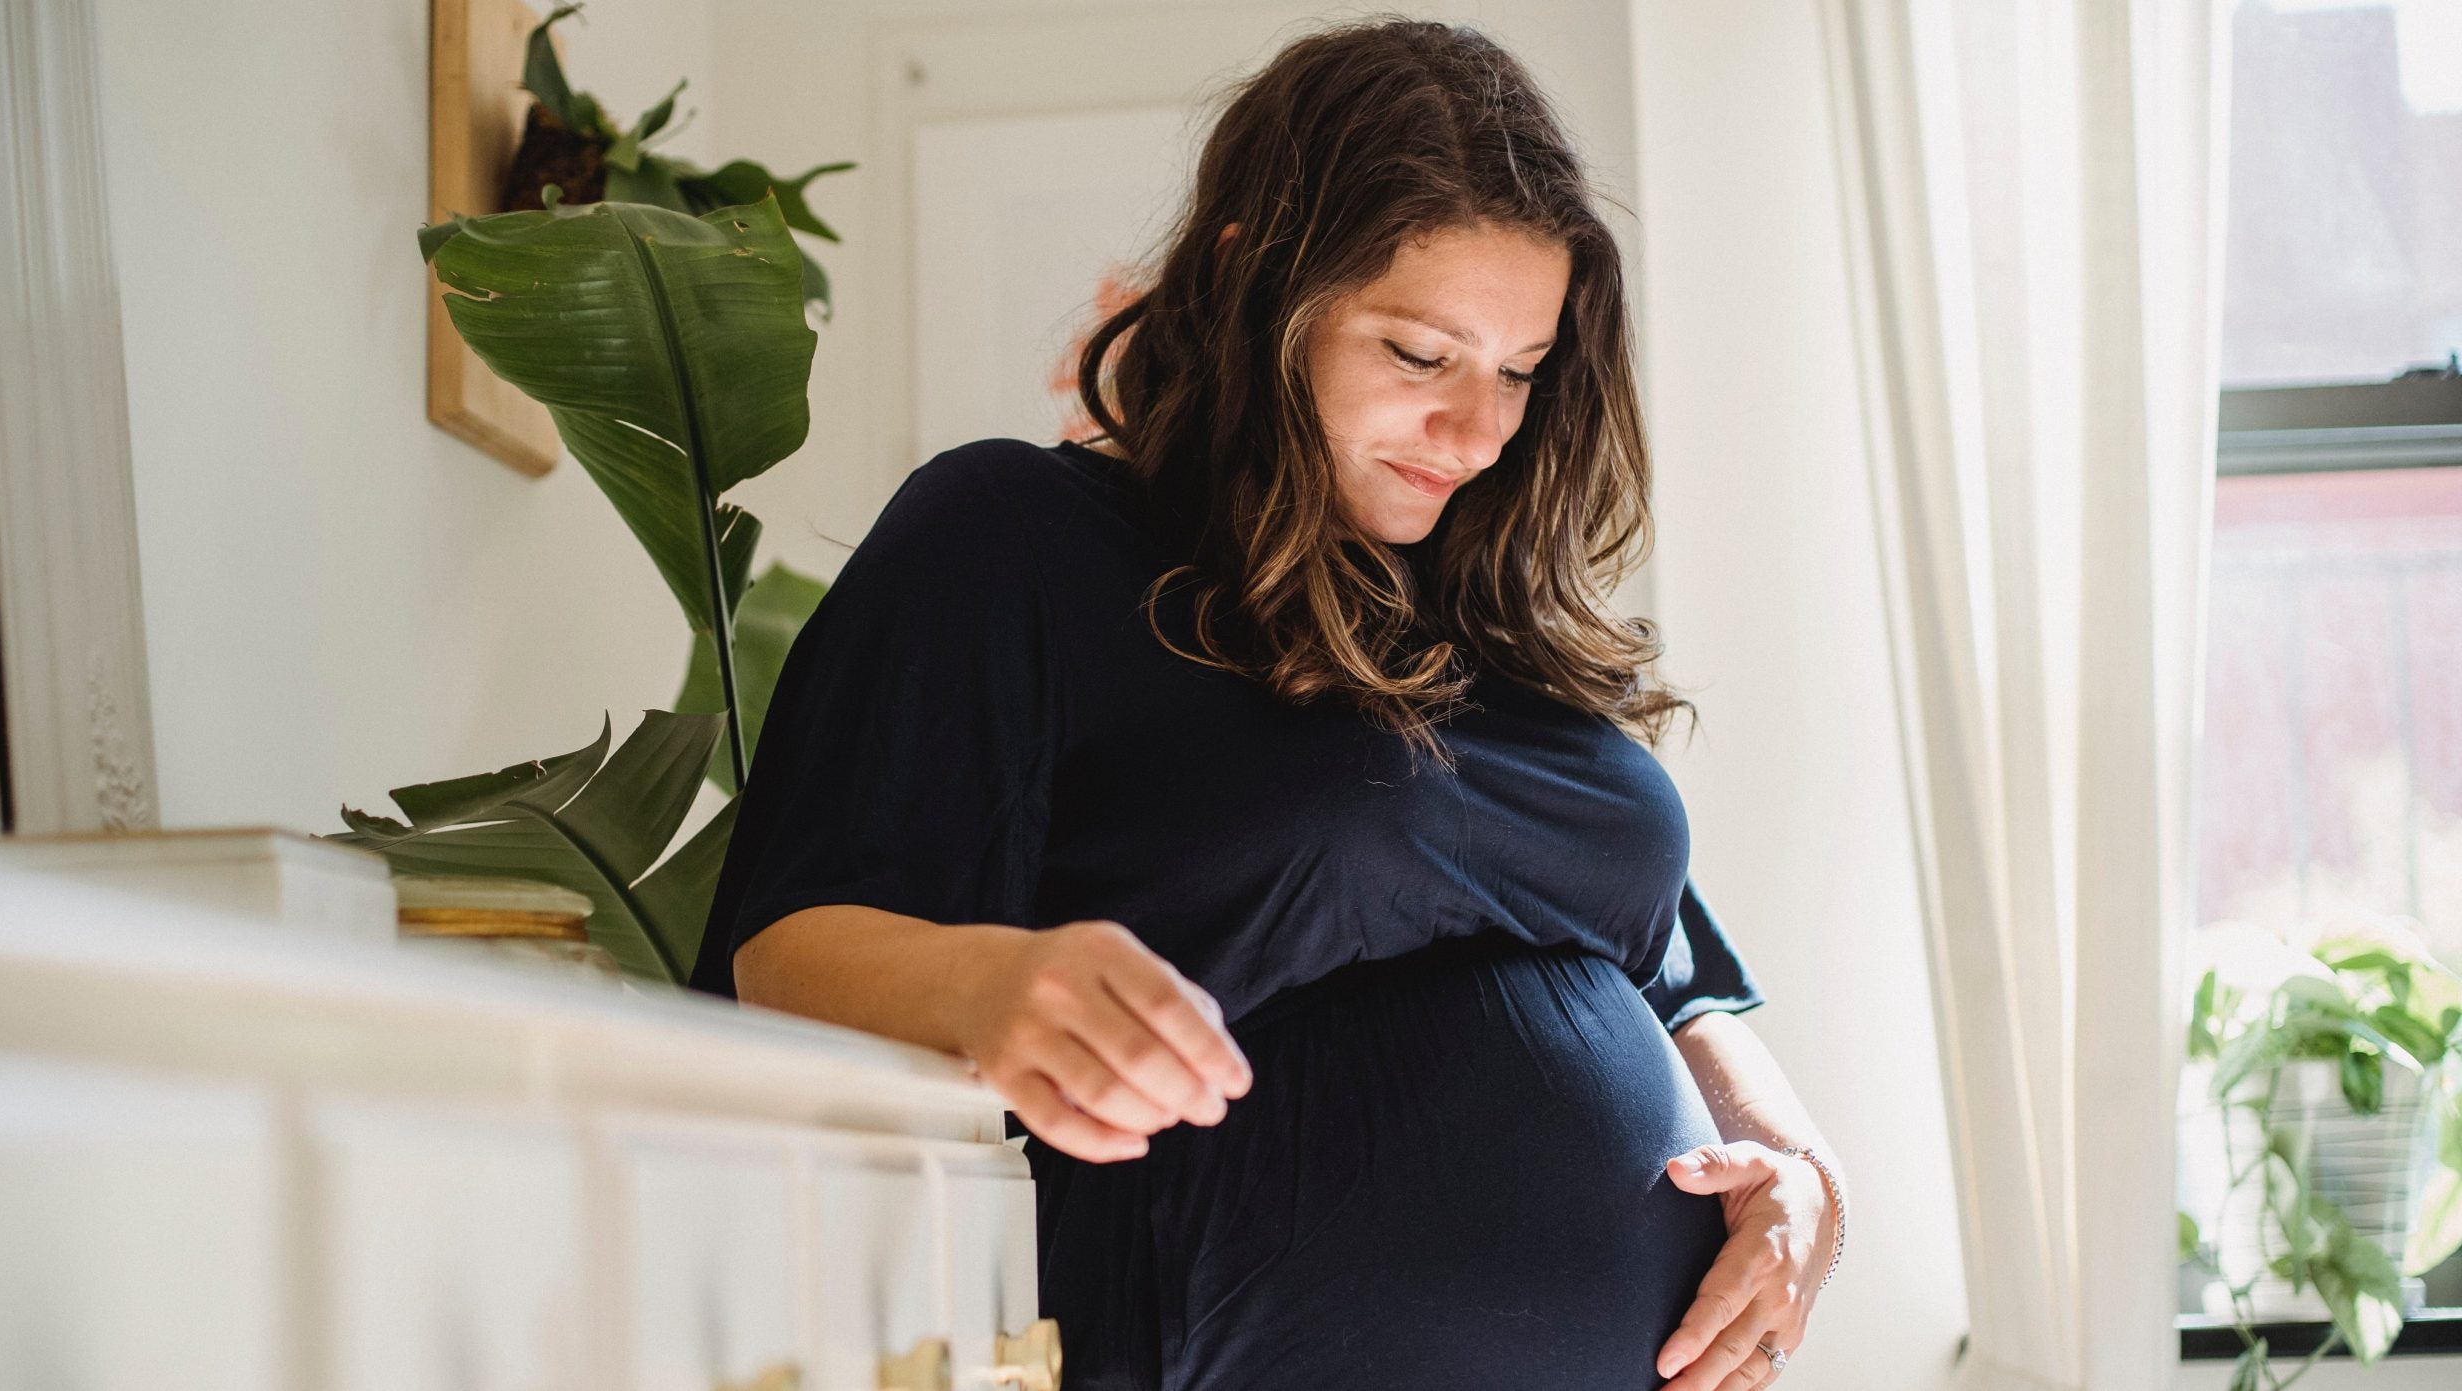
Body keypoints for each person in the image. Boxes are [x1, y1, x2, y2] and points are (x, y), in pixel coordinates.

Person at [689, 16, 1843, 1390]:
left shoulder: (1489, 619)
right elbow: (785, 956)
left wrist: (1805, 1185)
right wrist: (999, 982)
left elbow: (1679, 975)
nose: (1480, 434)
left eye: (1520, 373)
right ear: (1253, 285)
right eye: (1421, 354)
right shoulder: (1018, 543)